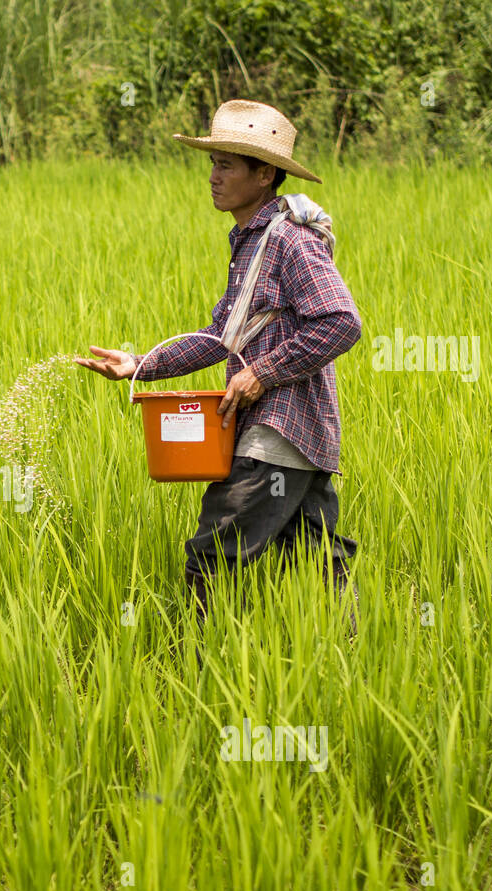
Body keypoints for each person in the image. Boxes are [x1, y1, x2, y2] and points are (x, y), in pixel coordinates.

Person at [76, 99, 362, 636]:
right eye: (213, 163)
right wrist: (140, 365)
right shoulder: (252, 241)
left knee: (215, 553)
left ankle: (192, 671)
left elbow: (340, 322)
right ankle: (354, 660)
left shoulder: (290, 243)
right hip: (304, 439)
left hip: (275, 432)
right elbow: (220, 339)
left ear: (264, 174)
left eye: (227, 164)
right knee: (318, 560)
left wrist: (262, 373)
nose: (214, 176)